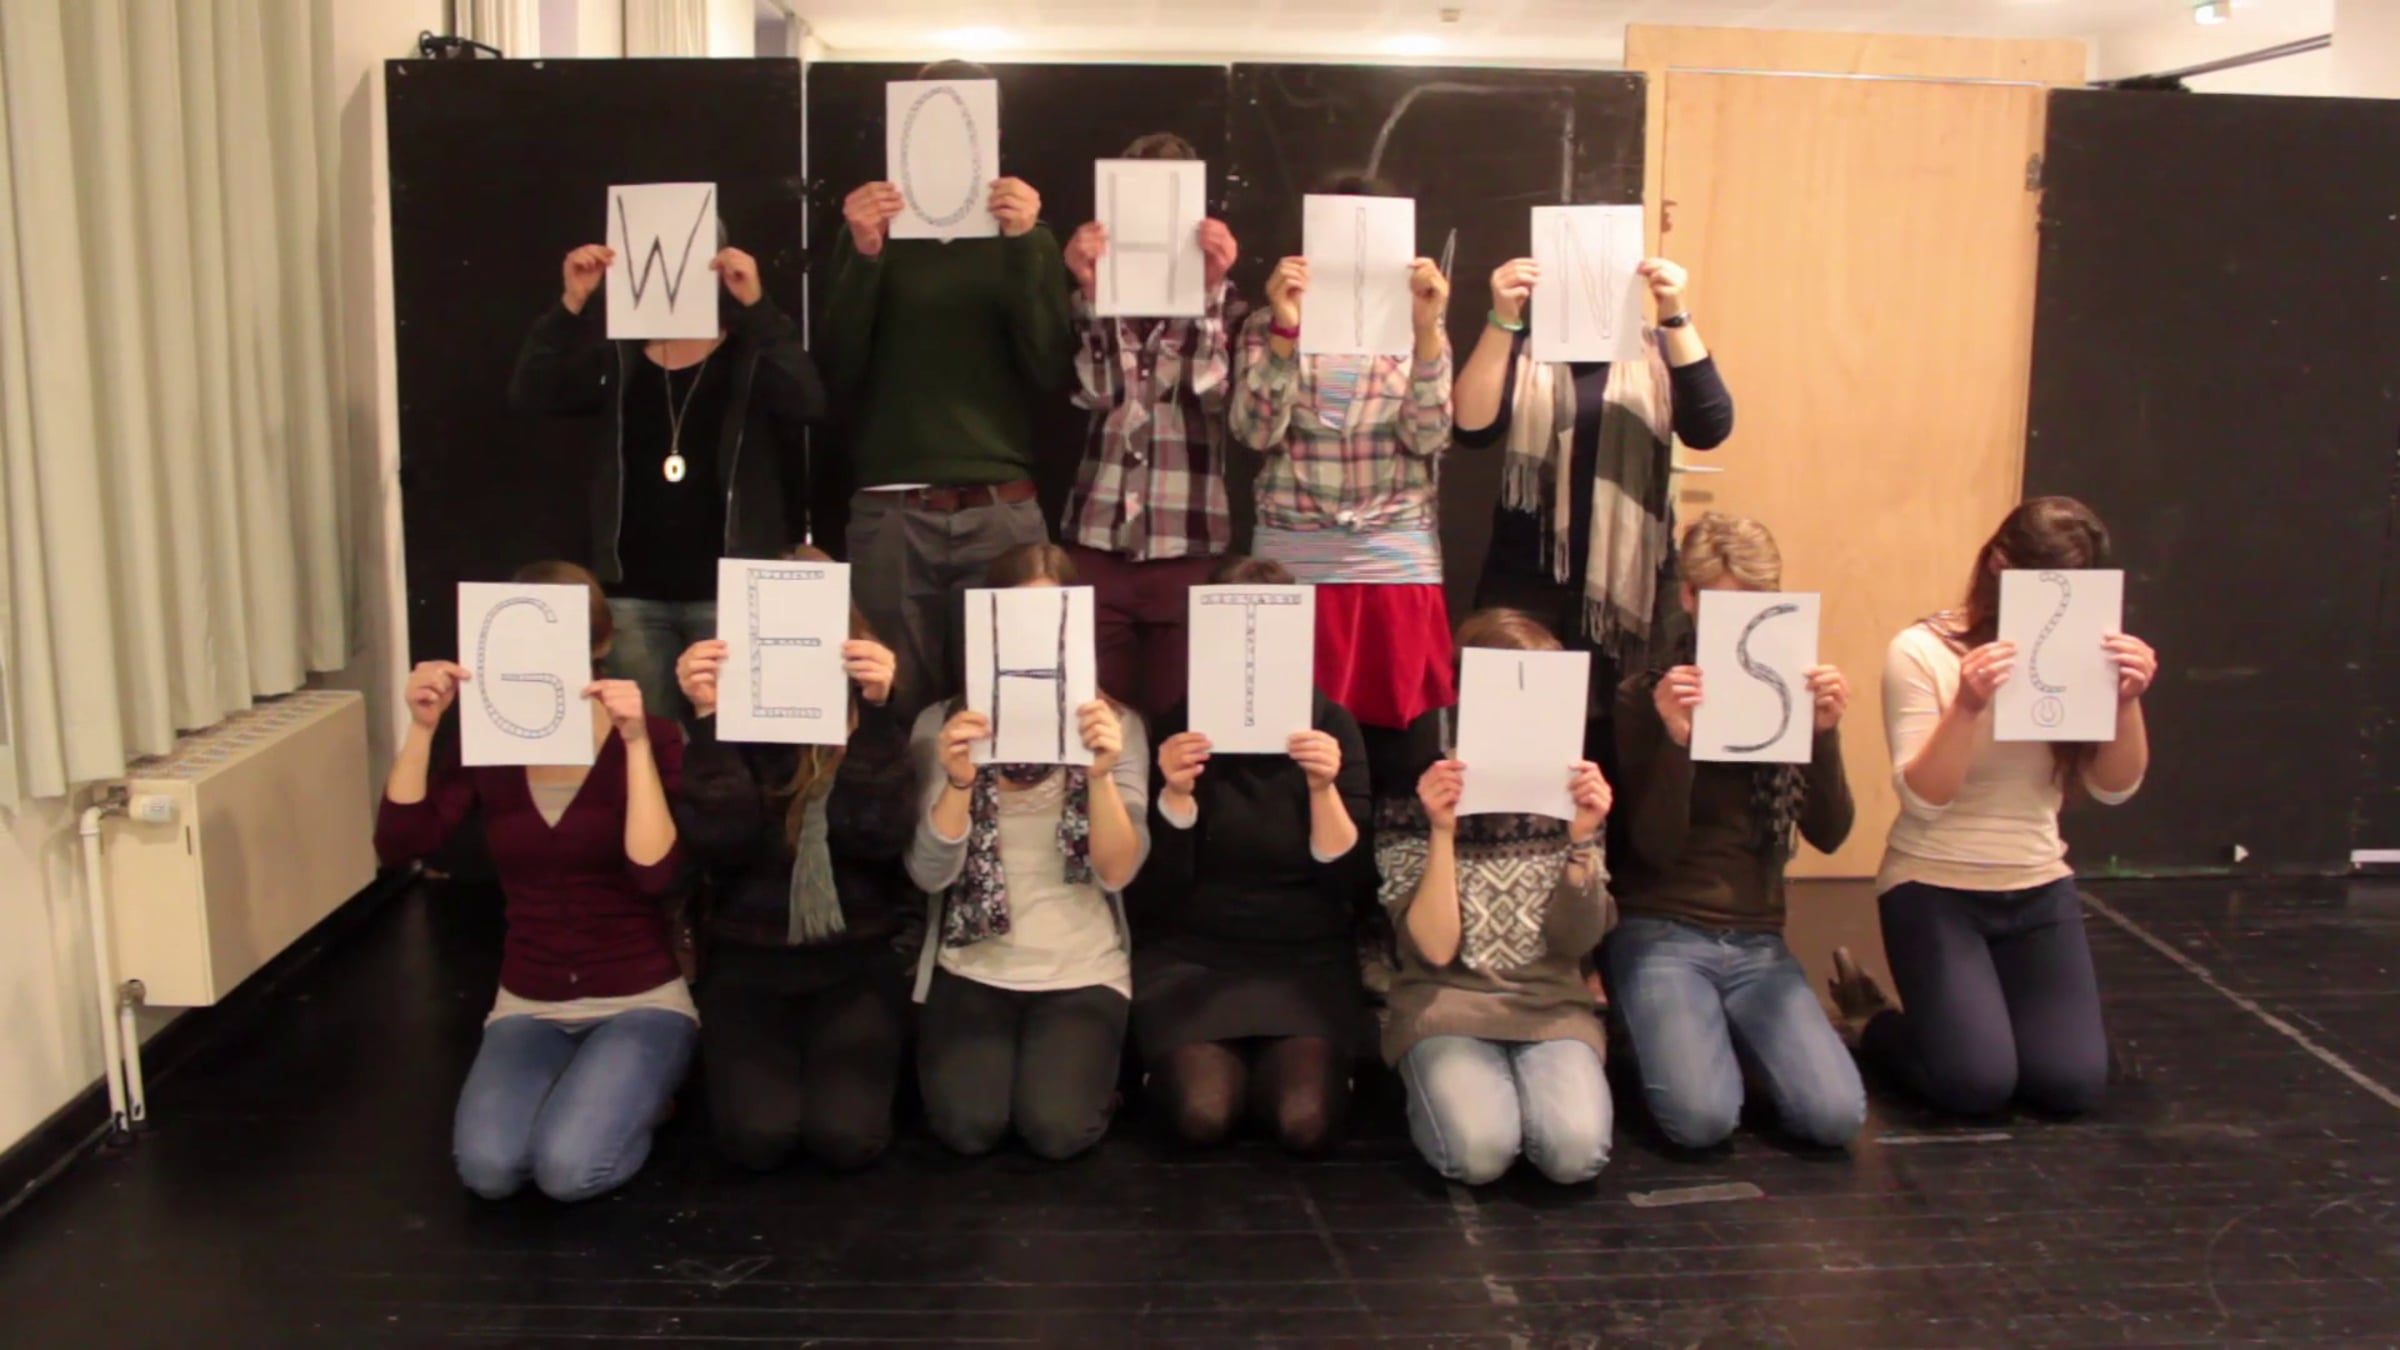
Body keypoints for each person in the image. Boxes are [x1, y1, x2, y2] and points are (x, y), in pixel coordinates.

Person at [375, 561, 694, 1203]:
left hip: (640, 998)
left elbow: (656, 872)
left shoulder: (655, 739)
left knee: (568, 1172)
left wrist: (634, 744)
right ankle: (595, 1094)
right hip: (530, 1000)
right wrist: (423, 727)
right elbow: (401, 844)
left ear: (599, 645)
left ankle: (641, 1101)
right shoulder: (490, 744)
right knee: (490, 1172)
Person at [1836, 496, 2158, 1118]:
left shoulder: (2081, 652)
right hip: (1935, 885)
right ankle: (1872, 1020)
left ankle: (1990, 1020)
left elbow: (2115, 787)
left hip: (2037, 885)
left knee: (2069, 1085)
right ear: (2000, 566)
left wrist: (2126, 699)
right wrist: (1967, 706)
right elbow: (1923, 798)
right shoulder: (1922, 650)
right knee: (1974, 1083)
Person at [827, 60, 1075, 723]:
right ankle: (896, 797)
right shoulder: (871, 235)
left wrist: (1023, 245)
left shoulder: (1026, 237)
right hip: (893, 504)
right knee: (889, 698)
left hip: (999, 502)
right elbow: (838, 367)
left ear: (991, 136)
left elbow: (1049, 366)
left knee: (1013, 699)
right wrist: (865, 253)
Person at [1606, 515, 1865, 1151]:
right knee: (1700, 1120)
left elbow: (1832, 832)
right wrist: (1675, 742)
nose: (1744, 622)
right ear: (1690, 599)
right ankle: (1665, 1035)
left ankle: (1731, 1041)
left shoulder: (1787, 691)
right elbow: (1653, 849)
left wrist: (1824, 734)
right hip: (1662, 928)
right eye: (1727, 605)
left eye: (1760, 602)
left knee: (1834, 1117)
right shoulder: (1647, 696)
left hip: (1757, 938)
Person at [669, 548, 916, 1172]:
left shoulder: (874, 719)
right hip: (748, 963)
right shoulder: (735, 716)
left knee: (846, 1140)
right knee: (756, 1140)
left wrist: (875, 715)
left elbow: (878, 838)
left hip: (854, 963)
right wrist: (708, 719)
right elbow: (718, 843)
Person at [509, 240, 826, 724]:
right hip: (634, 593)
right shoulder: (620, 357)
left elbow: (808, 401)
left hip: (728, 592)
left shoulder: (748, 354)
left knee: (734, 741)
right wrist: (572, 302)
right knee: (647, 739)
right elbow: (533, 392)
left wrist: (756, 305)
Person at [905, 543, 1150, 1160]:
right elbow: (929, 875)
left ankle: (1093, 1080)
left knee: (1056, 1131)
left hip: (1081, 968)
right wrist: (958, 782)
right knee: (967, 1129)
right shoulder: (943, 724)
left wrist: (1100, 776)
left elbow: (1118, 870)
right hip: (972, 965)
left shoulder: (1117, 725)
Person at [1451, 252, 1734, 764]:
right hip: (1528, 583)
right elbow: (1471, 426)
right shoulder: (1522, 347)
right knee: (1518, 753)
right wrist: (1502, 317)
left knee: (1631, 750)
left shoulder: (1657, 350)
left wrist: (1675, 311)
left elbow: (1711, 425)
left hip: (1635, 589)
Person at [1132, 557, 1371, 1153]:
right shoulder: (1183, 727)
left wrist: (1323, 789)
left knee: (1303, 1122)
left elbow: (1354, 886)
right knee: (1203, 1115)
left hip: (1306, 956)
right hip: (1194, 955)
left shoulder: (1331, 725)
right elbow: (1154, 891)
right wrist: (1175, 798)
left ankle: (1314, 1067)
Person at [1377, 608, 1618, 1185]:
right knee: (1478, 1154)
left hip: (1550, 1005)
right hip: (1447, 1004)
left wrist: (1582, 842)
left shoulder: (1568, 792)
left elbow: (1576, 941)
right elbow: (1434, 949)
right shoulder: (1416, 791)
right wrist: (1441, 831)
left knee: (1574, 1154)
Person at [1228, 173, 1454, 781]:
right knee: (1296, 743)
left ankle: (1399, 842)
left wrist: (1426, 335)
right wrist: (1284, 330)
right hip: (1296, 558)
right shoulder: (1266, 325)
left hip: (1393, 563)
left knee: (1400, 750)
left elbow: (1430, 437)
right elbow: (1254, 432)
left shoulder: (1417, 325)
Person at [1058, 133, 1246, 722]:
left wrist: (1207, 290)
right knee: (1095, 716)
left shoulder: (1229, 307)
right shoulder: (1089, 299)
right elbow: (1101, 393)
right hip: (1097, 537)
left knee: (1179, 716)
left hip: (1186, 540)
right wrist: (1093, 291)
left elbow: (1208, 391)